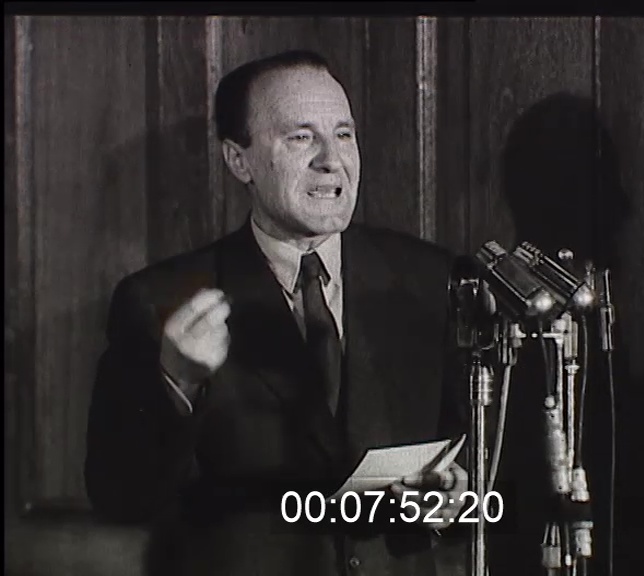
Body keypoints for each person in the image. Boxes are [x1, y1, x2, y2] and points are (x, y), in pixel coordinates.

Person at [84, 50, 470, 576]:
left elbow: (473, 460)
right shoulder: (159, 301)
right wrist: (176, 383)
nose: (331, 160)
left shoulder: (428, 279)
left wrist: (454, 498)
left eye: (344, 134)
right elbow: (120, 498)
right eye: (301, 137)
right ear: (238, 160)